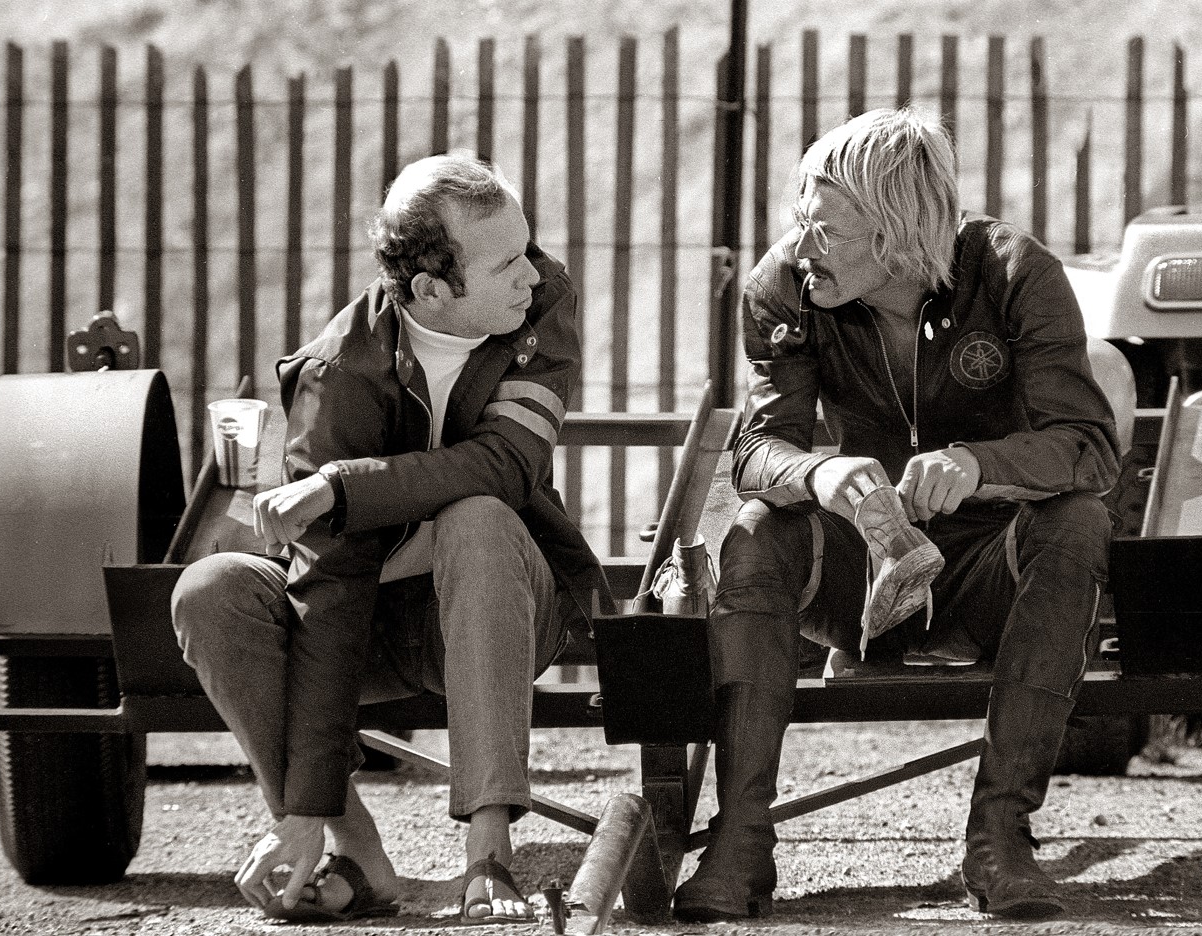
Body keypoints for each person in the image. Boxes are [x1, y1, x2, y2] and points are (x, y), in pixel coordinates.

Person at [672, 106, 1121, 923]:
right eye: (801, 222)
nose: (803, 248)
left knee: (1079, 522)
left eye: (828, 231)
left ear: (899, 229)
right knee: (754, 533)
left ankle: (999, 841)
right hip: (860, 587)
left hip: (991, 578)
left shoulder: (1018, 273)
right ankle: (740, 839)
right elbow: (754, 454)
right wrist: (818, 470)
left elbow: (1087, 447)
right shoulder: (785, 287)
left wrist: (979, 466)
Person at [171, 153, 609, 924]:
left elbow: (507, 464)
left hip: (504, 613)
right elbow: (329, 591)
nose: (532, 277)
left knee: (477, 514)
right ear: (432, 290)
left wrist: (341, 489)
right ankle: (351, 849)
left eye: (528, 250)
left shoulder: (542, 306)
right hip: (371, 624)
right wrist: (303, 813)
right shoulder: (337, 372)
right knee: (211, 592)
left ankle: (489, 858)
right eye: (507, 261)